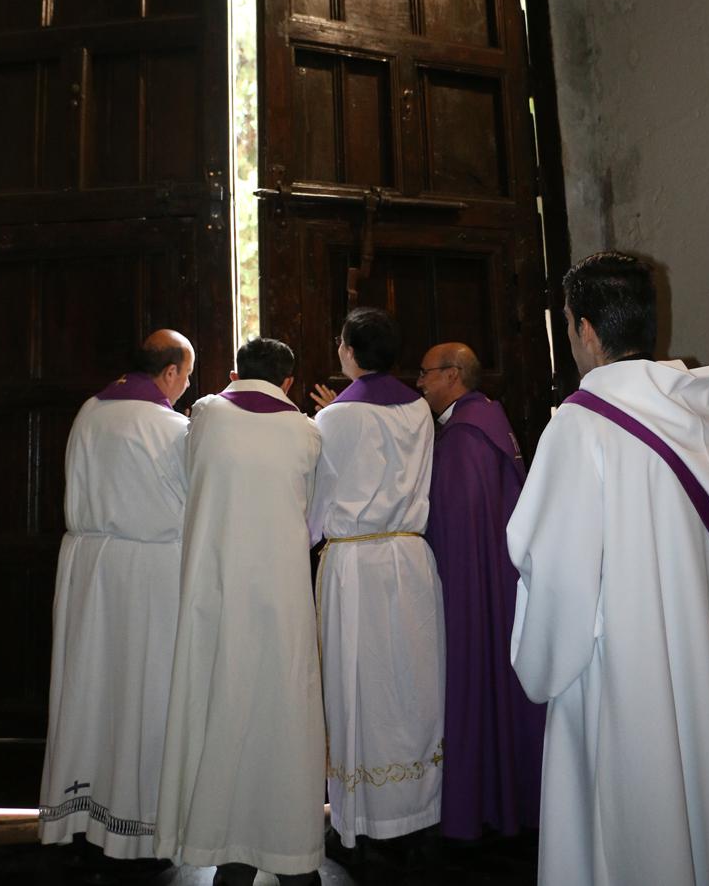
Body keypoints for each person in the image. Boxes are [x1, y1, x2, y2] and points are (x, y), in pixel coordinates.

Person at [507, 252, 709, 886]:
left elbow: (554, 581)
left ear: (583, 329)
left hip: (622, 690)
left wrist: (538, 664)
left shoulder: (580, 426)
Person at [154, 336, 324, 886]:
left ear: (234, 371)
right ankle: (290, 845)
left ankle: (224, 842)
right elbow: (313, 512)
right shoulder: (305, 430)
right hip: (281, 594)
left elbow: (189, 479)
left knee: (219, 706)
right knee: (283, 714)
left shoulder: (204, 413)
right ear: (290, 382)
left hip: (216, 585)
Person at [39, 329, 194, 867]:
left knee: (91, 687)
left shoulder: (89, 411)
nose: (186, 385)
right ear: (171, 372)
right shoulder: (172, 427)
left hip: (88, 568)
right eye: (188, 375)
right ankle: (140, 825)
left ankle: (83, 815)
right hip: (147, 575)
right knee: (143, 690)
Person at [309, 307, 445, 855]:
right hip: (410, 560)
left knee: (357, 686)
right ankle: (415, 809)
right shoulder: (418, 408)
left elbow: (318, 498)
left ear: (348, 350)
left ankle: (361, 817)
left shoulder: (334, 419)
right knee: (410, 688)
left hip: (353, 566)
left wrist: (307, 532)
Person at [419, 342, 545, 842]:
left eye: (427, 373)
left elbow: (457, 524)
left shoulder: (465, 437)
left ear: (453, 375)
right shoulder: (488, 421)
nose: (420, 383)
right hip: (502, 578)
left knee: (475, 678)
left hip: (474, 583)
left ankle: (482, 804)